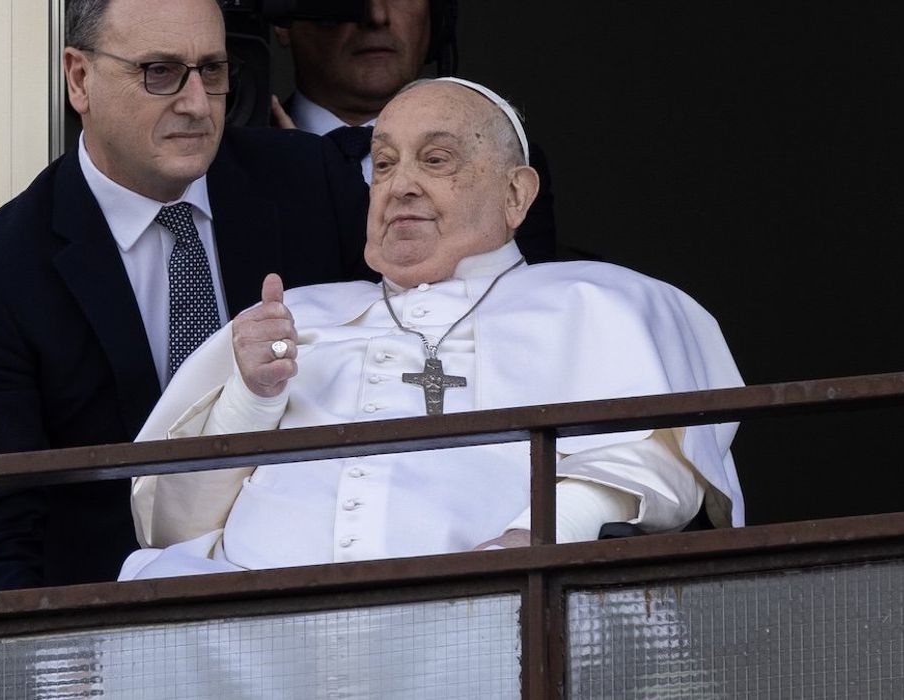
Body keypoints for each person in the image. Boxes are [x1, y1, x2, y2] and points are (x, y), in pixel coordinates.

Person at [119, 78, 744, 580]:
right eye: (383, 164)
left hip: (483, 625)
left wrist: (531, 546)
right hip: (251, 645)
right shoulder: (298, 316)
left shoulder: (597, 303)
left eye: (436, 159)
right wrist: (252, 399)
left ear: (516, 195)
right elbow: (172, 525)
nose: (400, 185)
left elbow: (654, 464)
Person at [0, 0, 373, 593]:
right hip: (118, 633)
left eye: (213, 71)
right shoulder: (1, 269)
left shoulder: (311, 184)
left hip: (320, 598)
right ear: (79, 78)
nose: (197, 104)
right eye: (160, 73)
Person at [271, 0, 560, 263]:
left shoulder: (502, 161)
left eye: (436, 160)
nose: (376, 15)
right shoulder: (233, 162)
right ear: (281, 16)